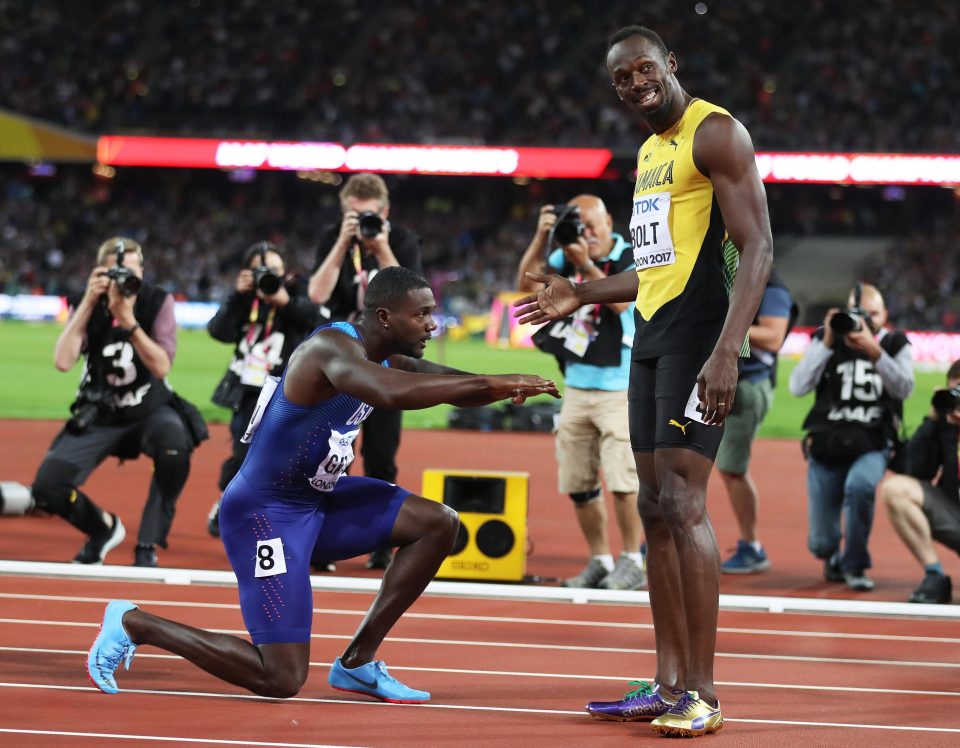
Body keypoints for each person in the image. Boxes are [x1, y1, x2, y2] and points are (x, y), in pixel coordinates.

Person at [88, 266, 559, 702]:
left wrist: (498, 387)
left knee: (437, 523)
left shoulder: (384, 354)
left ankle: (357, 662)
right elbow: (392, 392)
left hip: (318, 502)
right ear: (384, 316)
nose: (433, 325)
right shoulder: (331, 348)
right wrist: (496, 381)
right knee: (281, 678)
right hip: (264, 515)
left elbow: (443, 379)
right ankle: (135, 623)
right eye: (422, 314)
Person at [515, 25, 772, 738]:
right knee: (656, 508)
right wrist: (583, 293)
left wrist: (727, 352)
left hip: (700, 338)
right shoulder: (651, 153)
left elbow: (758, 247)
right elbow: (656, 268)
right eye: (621, 78)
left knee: (685, 504)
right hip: (653, 339)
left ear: (670, 65)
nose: (634, 83)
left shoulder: (714, 132)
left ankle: (704, 693)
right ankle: (666, 683)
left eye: (643, 69)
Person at [30, 237, 199, 568]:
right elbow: (63, 361)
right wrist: (89, 304)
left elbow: (162, 366)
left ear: (142, 271)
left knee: (174, 449)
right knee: (47, 488)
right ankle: (103, 529)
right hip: (101, 412)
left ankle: (147, 544)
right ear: (98, 273)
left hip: (150, 408)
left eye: (130, 272)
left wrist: (129, 321)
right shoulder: (87, 301)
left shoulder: (156, 300)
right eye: (114, 272)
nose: (123, 280)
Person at [516, 195, 645, 590]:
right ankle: (600, 560)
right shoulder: (563, 257)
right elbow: (523, 284)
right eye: (579, 226)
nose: (586, 234)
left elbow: (625, 304)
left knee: (624, 479)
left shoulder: (629, 255)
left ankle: (633, 561)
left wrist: (586, 267)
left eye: (592, 225)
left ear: (609, 220)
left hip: (619, 386)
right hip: (576, 384)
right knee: (578, 481)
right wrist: (542, 239)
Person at [308, 173, 422, 570]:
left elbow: (413, 296)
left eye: (369, 215)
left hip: (386, 359)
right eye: (354, 216)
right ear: (343, 213)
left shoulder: (402, 240)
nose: (362, 223)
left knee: (381, 454)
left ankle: (381, 541)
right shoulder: (332, 239)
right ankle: (325, 538)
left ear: (385, 212)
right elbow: (316, 295)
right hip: (340, 361)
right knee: (332, 454)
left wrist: (382, 246)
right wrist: (343, 242)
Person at [789, 283, 913, 592]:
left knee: (860, 487)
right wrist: (828, 342)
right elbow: (798, 386)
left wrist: (875, 352)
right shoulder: (825, 339)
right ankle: (831, 556)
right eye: (858, 314)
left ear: (885, 315)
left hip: (872, 440)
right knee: (821, 544)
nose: (865, 320)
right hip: (826, 442)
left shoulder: (895, 344)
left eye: (872, 314)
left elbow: (904, 389)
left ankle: (856, 564)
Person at [205, 241, 320, 539]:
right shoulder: (245, 299)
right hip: (248, 389)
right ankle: (227, 501)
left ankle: (275, 513)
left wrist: (285, 301)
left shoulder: (297, 290)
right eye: (262, 271)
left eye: (276, 270)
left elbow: (317, 321)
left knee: (288, 454)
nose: (270, 277)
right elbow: (218, 331)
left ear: (286, 272)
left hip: (288, 389)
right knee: (242, 452)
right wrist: (237, 295)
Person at [717, 272, 796, 574]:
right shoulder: (728, 277)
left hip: (746, 384)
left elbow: (774, 336)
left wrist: (721, 330)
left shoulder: (769, 284)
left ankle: (752, 546)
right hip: (716, 379)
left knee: (732, 468)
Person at [881, 359, 960, 604]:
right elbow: (916, 471)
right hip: (954, 514)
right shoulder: (946, 425)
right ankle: (934, 573)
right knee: (896, 489)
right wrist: (933, 421)